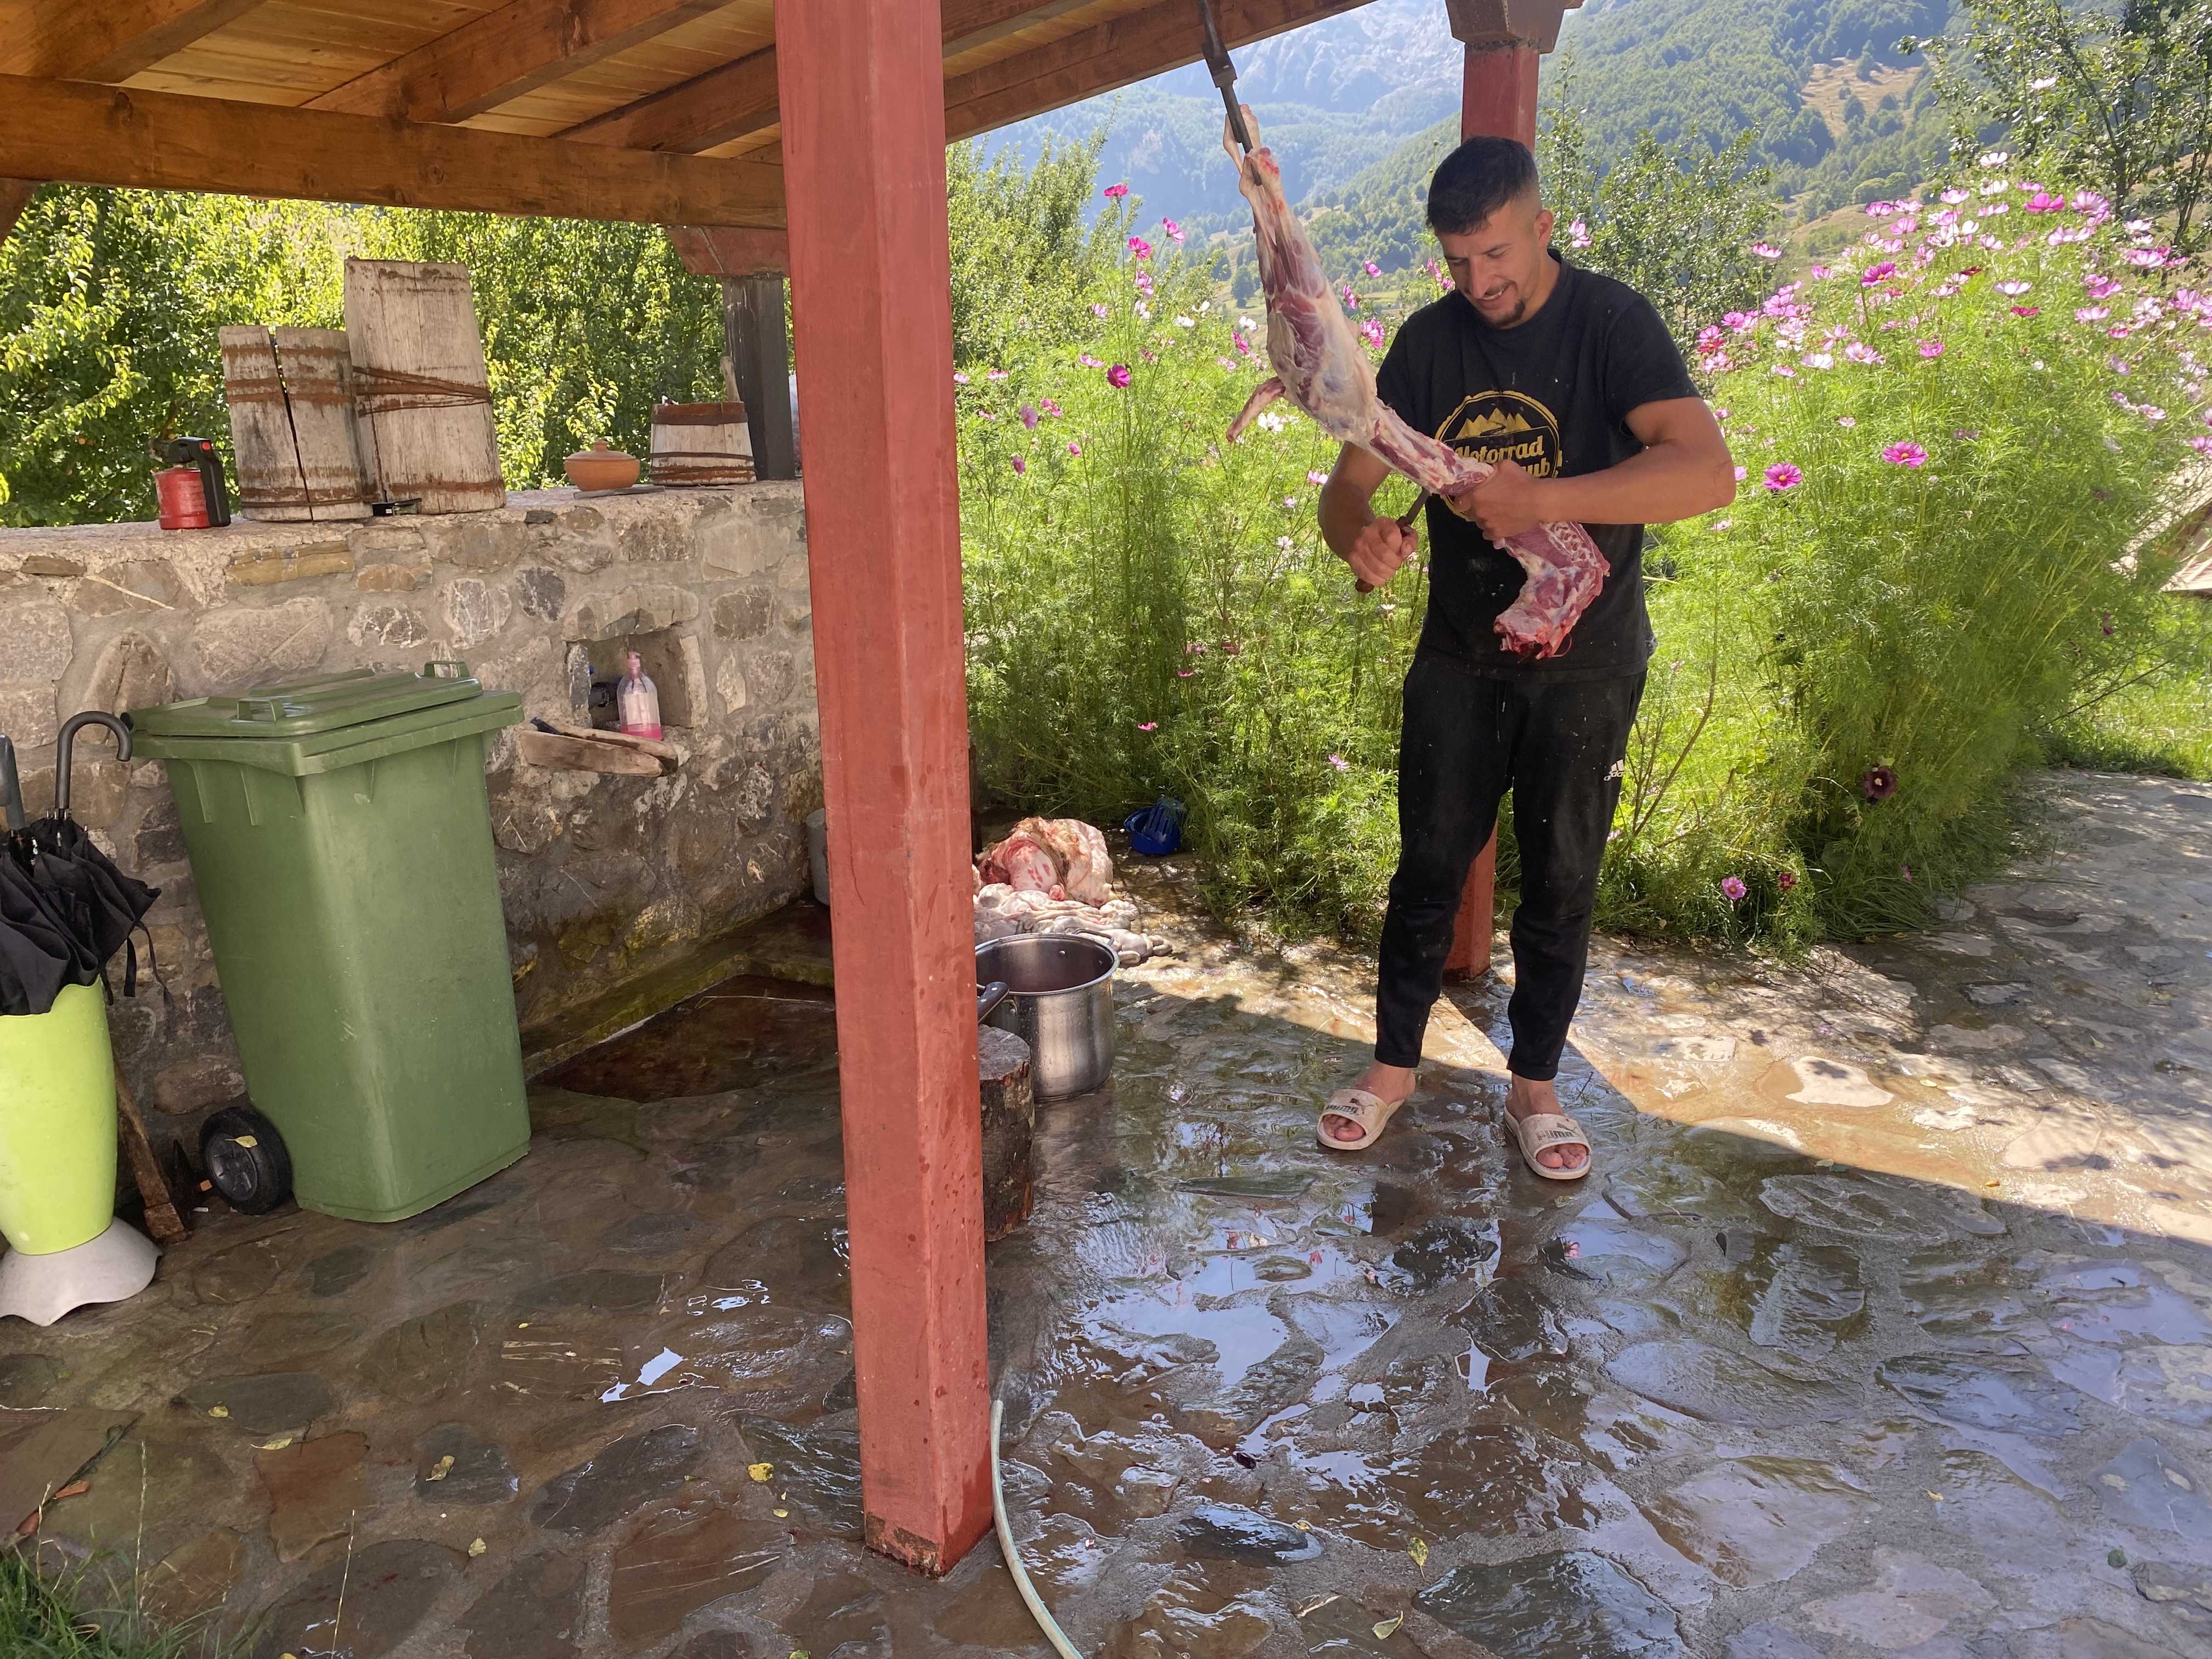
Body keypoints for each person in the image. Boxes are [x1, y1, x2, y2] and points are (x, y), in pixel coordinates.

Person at [1314, 135, 1735, 1177]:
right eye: (1458, 261)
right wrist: (1358, 537)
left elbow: (1706, 473)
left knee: (1562, 880)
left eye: (1497, 254)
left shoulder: (1612, 324)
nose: (1479, 282)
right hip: (1460, 658)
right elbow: (1347, 488)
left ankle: (1535, 1089)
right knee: (1427, 867)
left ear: (1543, 227)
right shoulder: (1429, 345)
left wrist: (1541, 498)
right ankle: (1393, 1069)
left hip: (1588, 661)